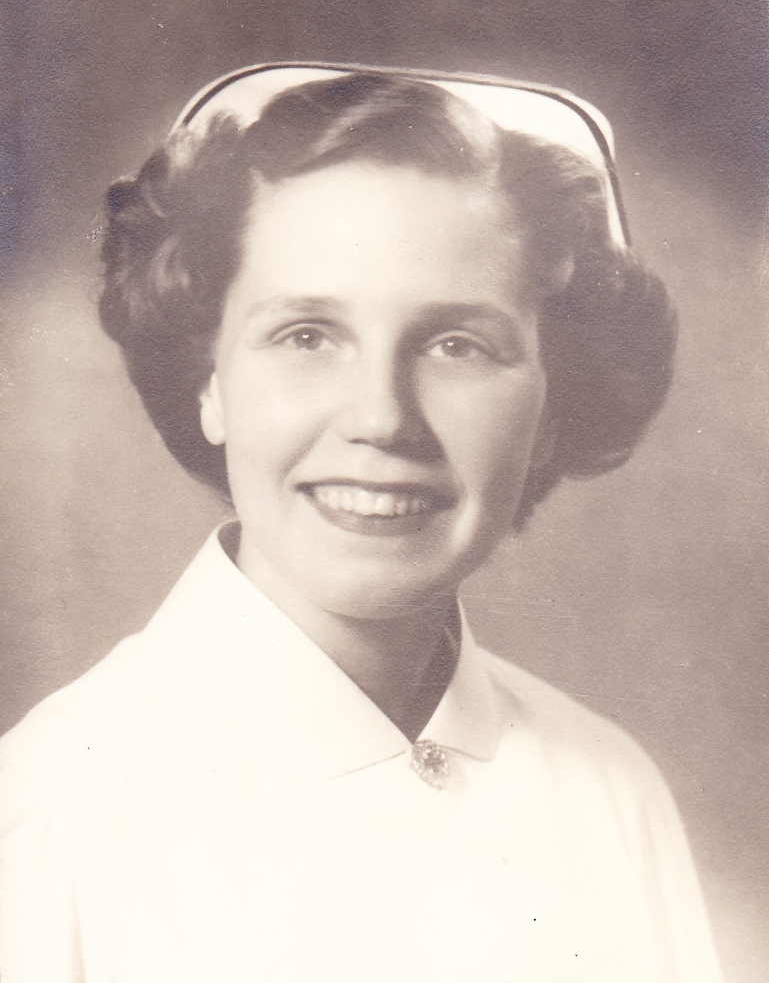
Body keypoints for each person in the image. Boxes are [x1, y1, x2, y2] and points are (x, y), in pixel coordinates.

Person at [0, 65, 723, 982]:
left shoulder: (610, 793)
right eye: (306, 335)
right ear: (208, 381)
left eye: (456, 344)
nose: (380, 418)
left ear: (550, 407)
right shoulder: (50, 817)